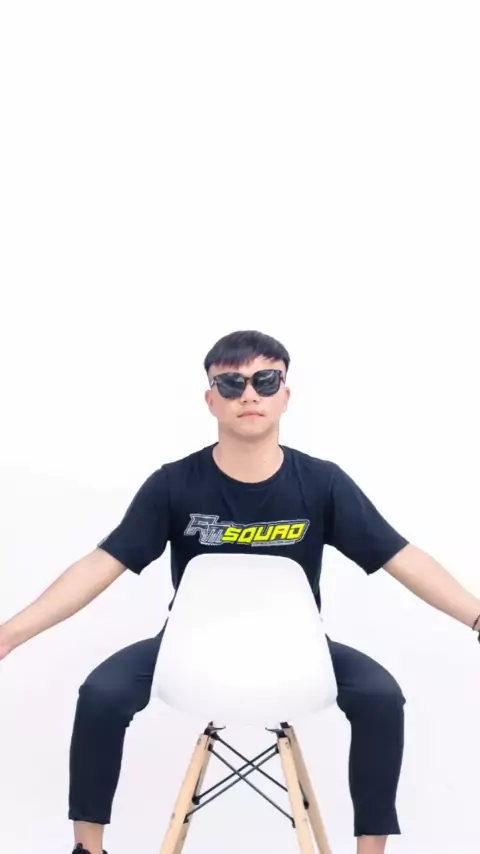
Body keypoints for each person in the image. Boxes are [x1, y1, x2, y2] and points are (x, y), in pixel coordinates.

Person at [1, 329, 479, 854]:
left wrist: (477, 617)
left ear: (285, 395)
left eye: (265, 380)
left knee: (381, 697)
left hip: (298, 651)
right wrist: (10, 633)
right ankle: (87, 848)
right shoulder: (173, 484)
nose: (249, 394)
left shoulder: (322, 483)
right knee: (100, 695)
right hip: (188, 648)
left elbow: (402, 556)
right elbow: (101, 564)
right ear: (211, 400)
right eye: (231, 383)